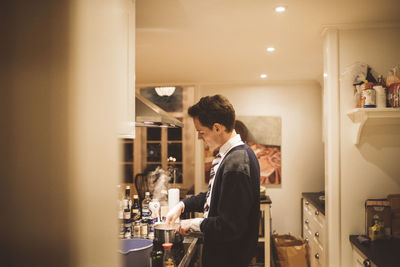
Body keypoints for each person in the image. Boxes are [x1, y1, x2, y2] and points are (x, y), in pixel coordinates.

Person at [166, 95, 260, 267]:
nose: (199, 138)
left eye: (201, 132)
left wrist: (193, 223)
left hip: (229, 259)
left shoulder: (237, 163)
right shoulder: (231, 156)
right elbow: (214, 196)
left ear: (217, 128)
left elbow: (229, 226)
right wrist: (182, 206)